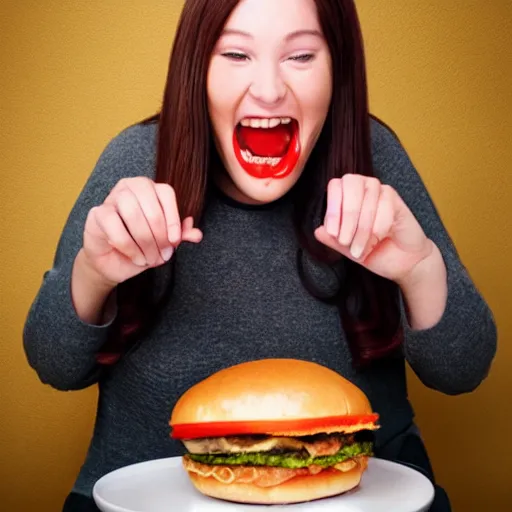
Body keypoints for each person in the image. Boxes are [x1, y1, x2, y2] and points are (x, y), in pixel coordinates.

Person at [23, 0, 497, 511]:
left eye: (301, 56)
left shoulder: (372, 156)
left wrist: (419, 268)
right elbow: (54, 364)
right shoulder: (136, 160)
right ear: (197, 66)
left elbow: (463, 370)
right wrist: (92, 275)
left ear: (338, 67)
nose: (269, 90)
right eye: (235, 54)